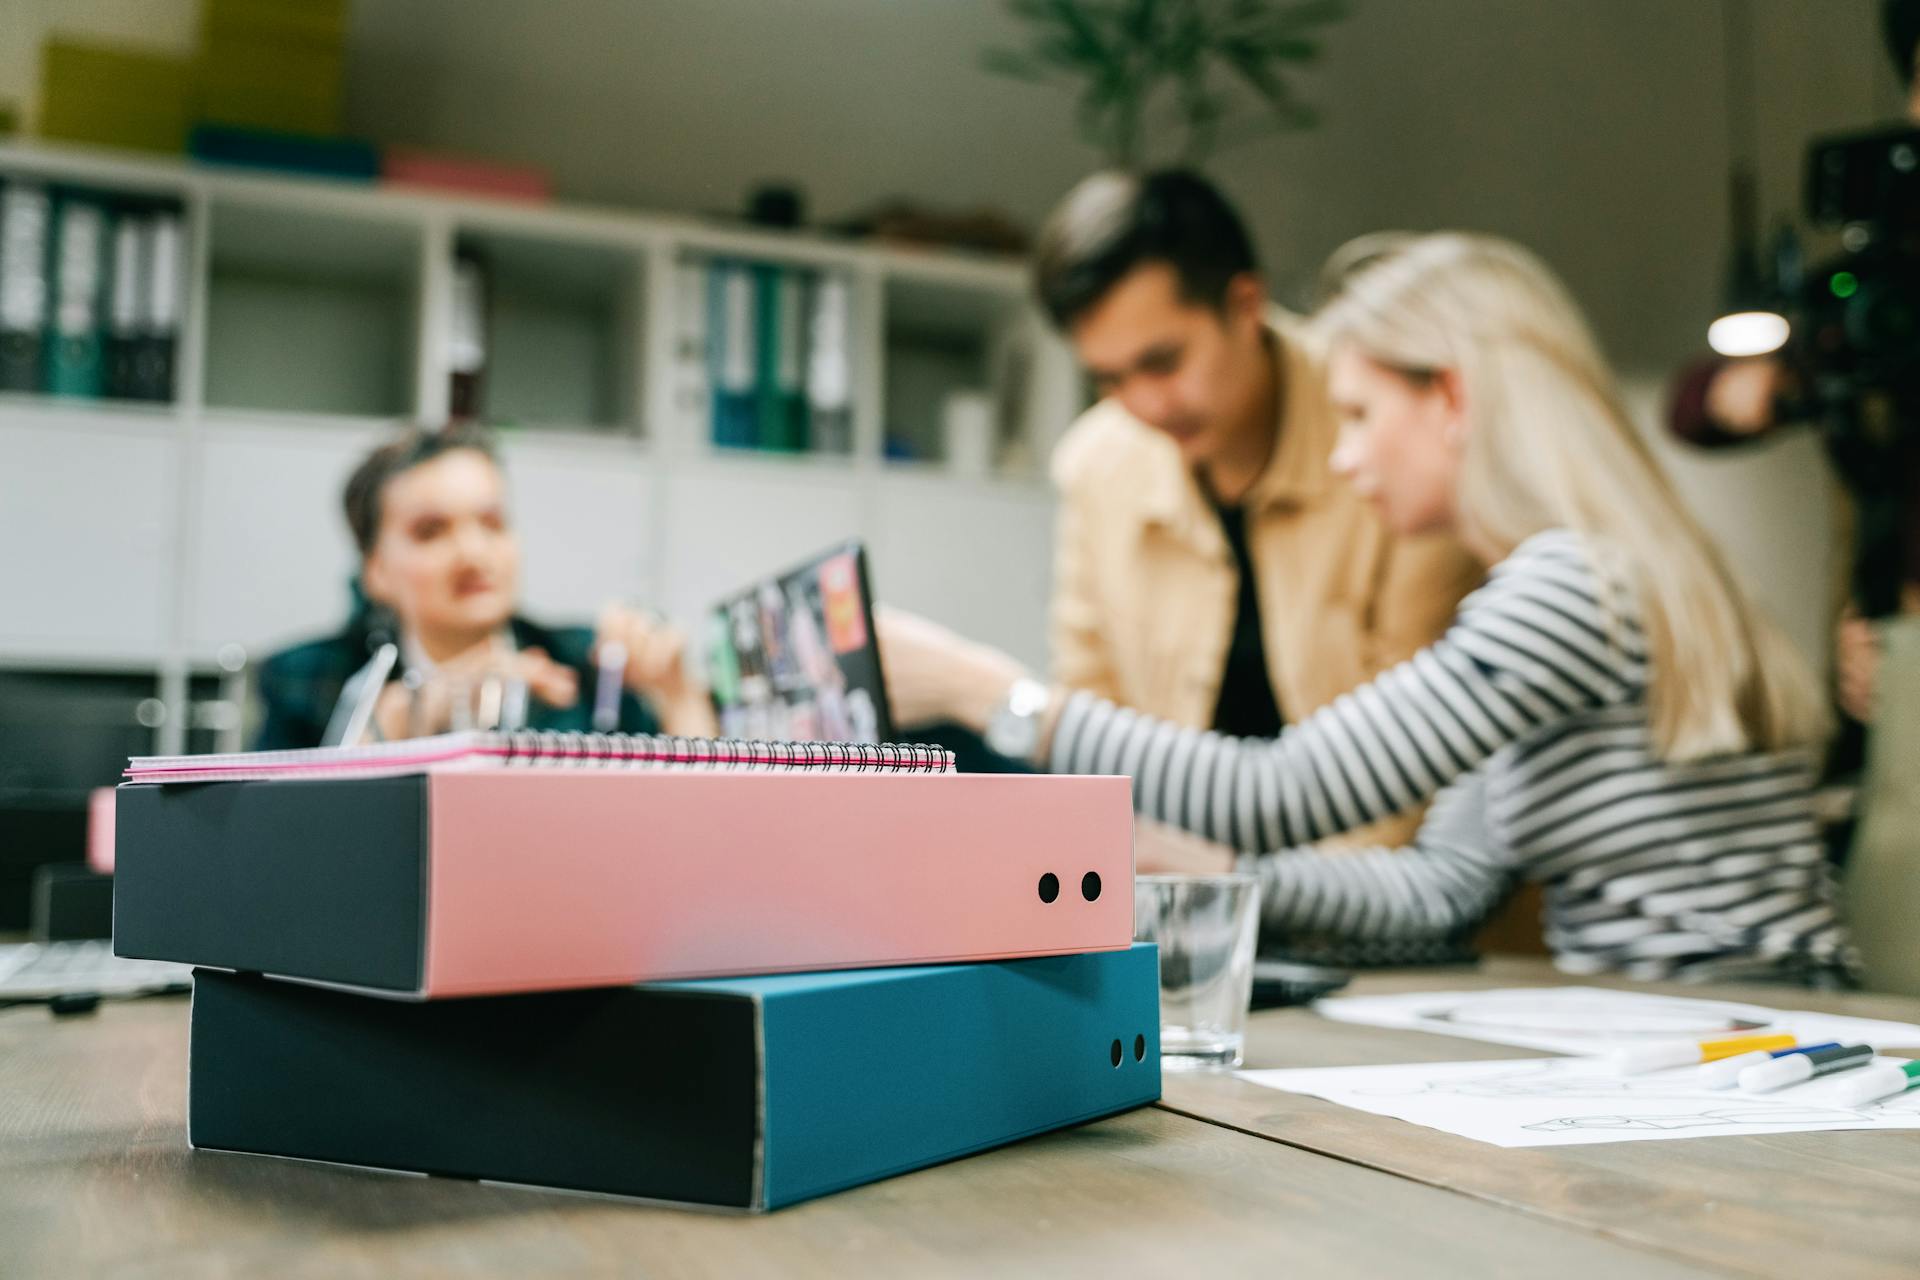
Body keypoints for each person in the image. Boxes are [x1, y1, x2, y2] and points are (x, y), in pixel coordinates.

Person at [883, 232, 1852, 983]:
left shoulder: (1571, 587)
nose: (1343, 458)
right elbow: (1442, 891)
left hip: (1754, 1036)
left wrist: (988, 693)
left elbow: (1280, 790)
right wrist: (1210, 869)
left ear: (1453, 398)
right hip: (1684, 1029)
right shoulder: (1560, 587)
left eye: (1358, 414)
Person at [1026, 170, 1482, 846]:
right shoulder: (1097, 464)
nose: (1146, 405)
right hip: (1188, 898)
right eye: (1111, 378)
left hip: (1390, 905)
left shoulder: (1388, 435)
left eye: (1163, 362)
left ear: (1245, 304)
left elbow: (1416, 774)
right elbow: (1094, 726)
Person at [256, 423, 713, 749]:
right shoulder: (305, 681)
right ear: (375, 570)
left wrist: (678, 695)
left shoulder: (585, 666)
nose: (475, 554)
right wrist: (387, 726)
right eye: (430, 531)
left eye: (492, 523)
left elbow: (702, 828)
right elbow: (269, 851)